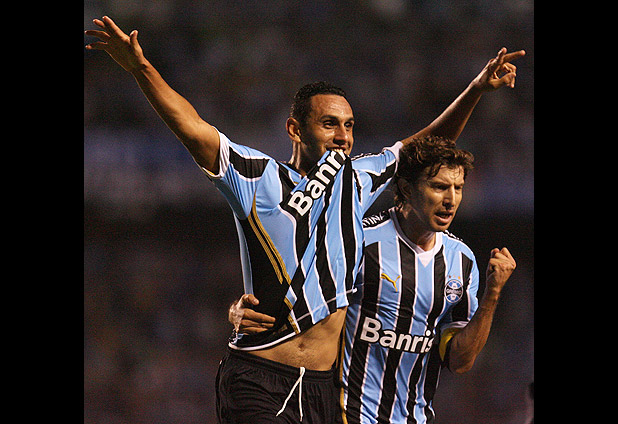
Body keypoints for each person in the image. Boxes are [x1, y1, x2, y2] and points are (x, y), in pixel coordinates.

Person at [85, 15, 524, 423]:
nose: (343, 136)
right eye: (330, 124)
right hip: (260, 377)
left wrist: (475, 90)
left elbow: (423, 150)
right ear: (295, 129)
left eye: (349, 125)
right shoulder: (258, 179)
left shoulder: (357, 179)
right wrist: (140, 68)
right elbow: (192, 127)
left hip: (321, 391)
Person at [231, 135, 517, 423]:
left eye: (458, 188)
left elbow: (460, 361)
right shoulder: (361, 241)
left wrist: (492, 293)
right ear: (406, 188)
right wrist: (240, 310)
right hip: (346, 414)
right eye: (439, 187)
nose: (451, 200)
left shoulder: (462, 260)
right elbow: (296, 289)